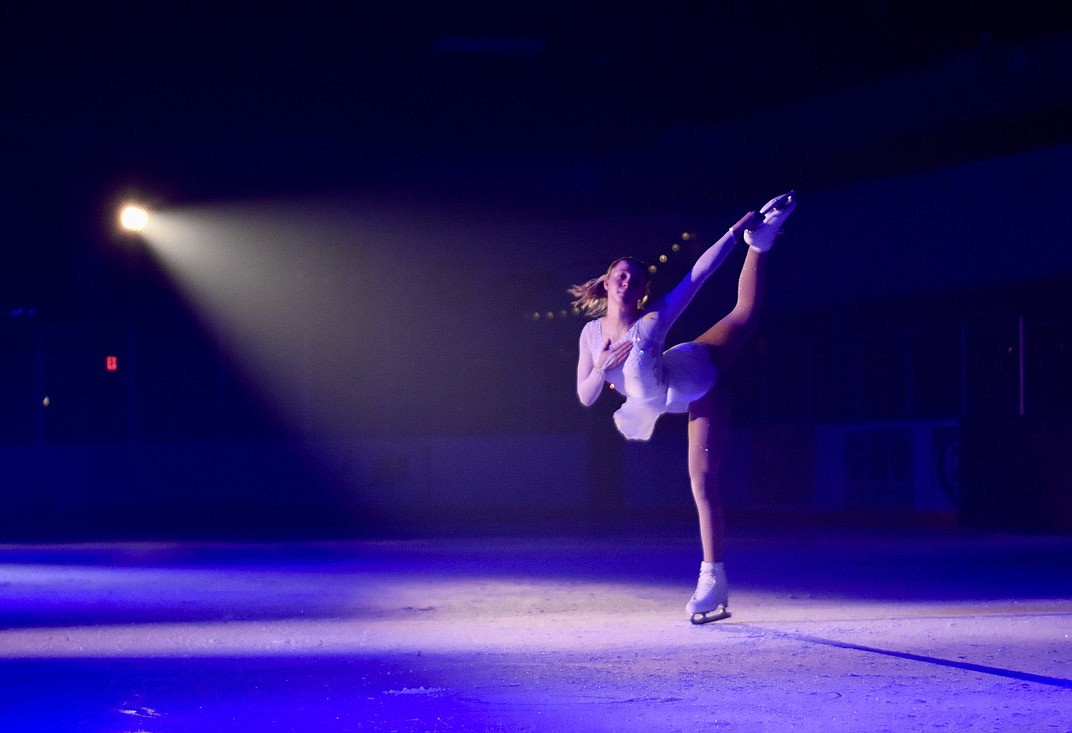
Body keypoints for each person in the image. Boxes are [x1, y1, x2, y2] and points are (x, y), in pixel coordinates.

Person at [571, 192, 796, 624]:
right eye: (621, 275)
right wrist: (599, 367)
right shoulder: (589, 335)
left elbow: (698, 274)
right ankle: (762, 241)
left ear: (642, 291)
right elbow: (585, 396)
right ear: (606, 281)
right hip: (660, 394)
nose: (627, 282)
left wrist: (734, 233)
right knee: (699, 480)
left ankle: (712, 580)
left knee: (701, 481)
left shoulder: (653, 319)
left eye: (636, 279)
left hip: (696, 379)